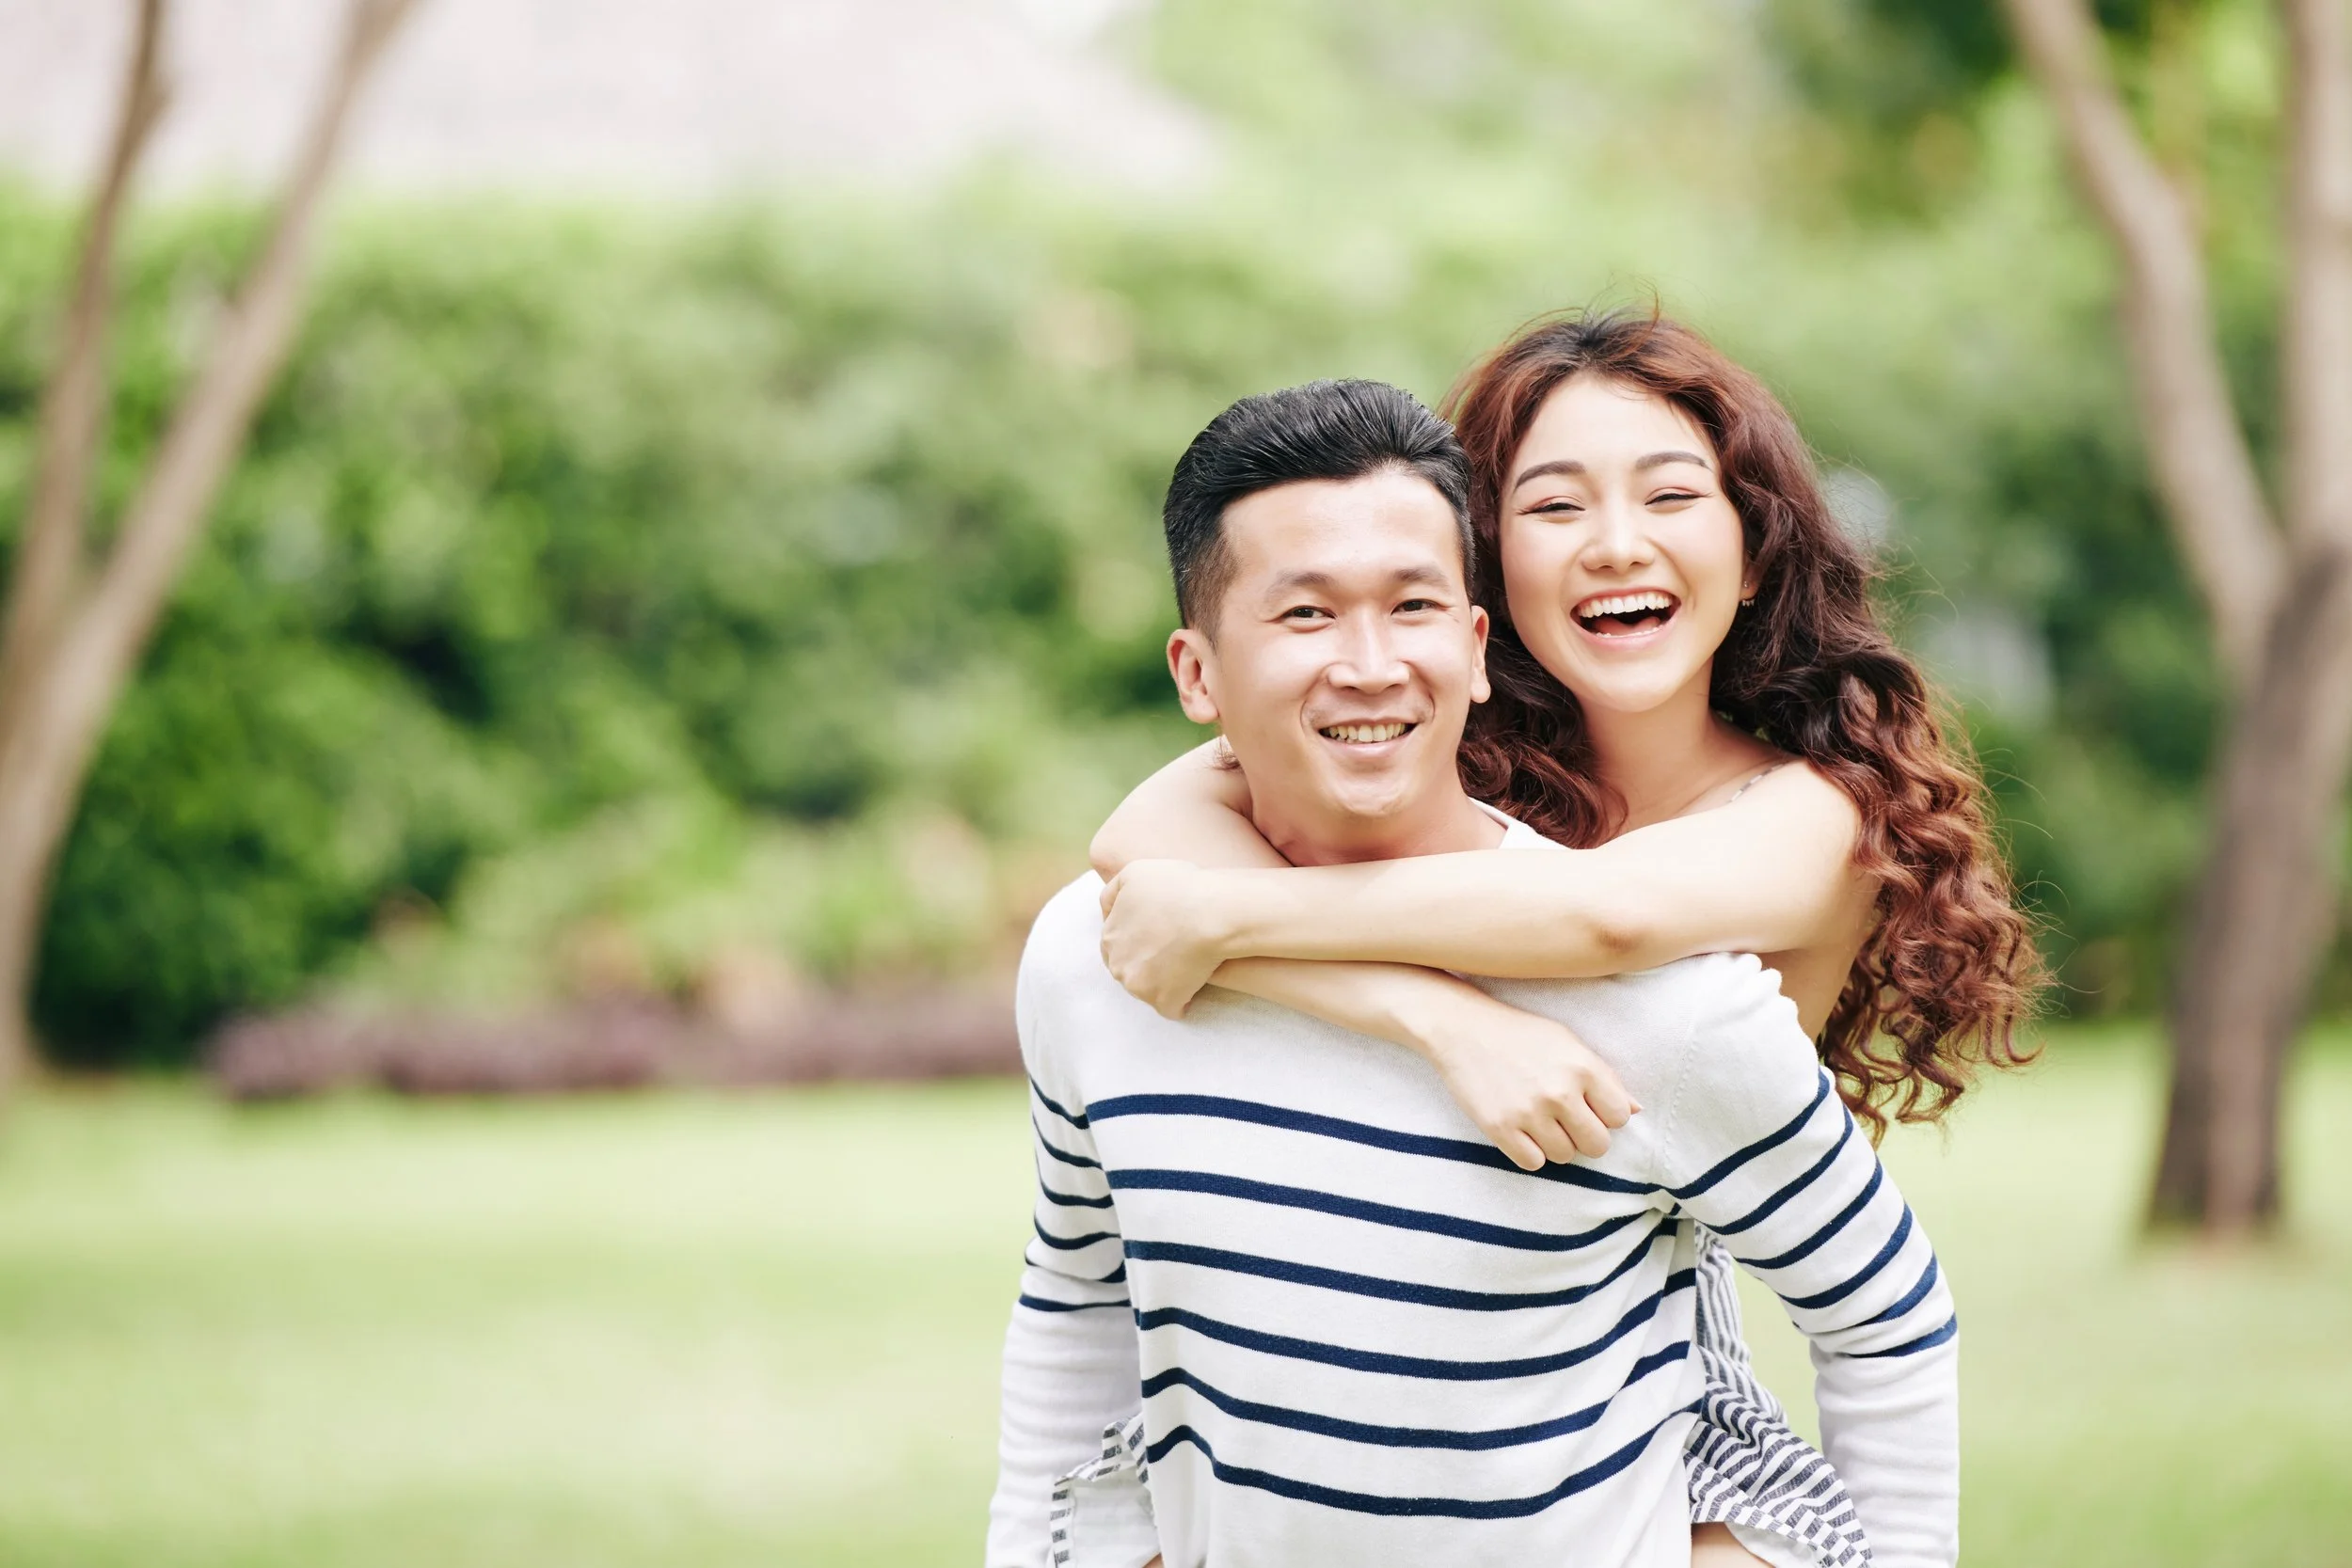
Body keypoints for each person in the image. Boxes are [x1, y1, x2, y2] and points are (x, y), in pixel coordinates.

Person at [988, 378, 1960, 1568]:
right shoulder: (1108, 944)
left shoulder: (1705, 940)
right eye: (1305, 615)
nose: (1370, 661)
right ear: (1197, 674)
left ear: (1472, 641)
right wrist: (1436, 1019)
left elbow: (1608, 922)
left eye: (1412, 606)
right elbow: (1076, 1300)